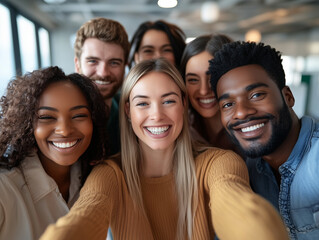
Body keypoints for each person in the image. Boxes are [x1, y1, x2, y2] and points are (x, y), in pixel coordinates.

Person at [41, 59, 288, 240]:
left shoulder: (219, 162)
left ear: (183, 104)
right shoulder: (109, 173)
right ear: (128, 111)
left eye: (169, 101)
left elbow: (238, 207)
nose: (156, 115)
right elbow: (84, 218)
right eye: (143, 103)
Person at [209, 41, 319, 240]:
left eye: (257, 94)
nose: (241, 112)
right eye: (228, 104)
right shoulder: (247, 171)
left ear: (288, 97)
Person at [0, 66, 109, 240]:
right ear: (27, 125)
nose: (65, 131)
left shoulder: (99, 177)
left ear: (93, 121)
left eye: (79, 115)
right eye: (47, 117)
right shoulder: (4, 190)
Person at [74, 17, 130, 155]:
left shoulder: (132, 114)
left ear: (125, 67)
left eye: (114, 63)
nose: (103, 73)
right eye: (93, 61)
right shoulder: (61, 118)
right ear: (77, 65)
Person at [180, 34, 239, 154]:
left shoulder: (250, 125)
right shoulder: (180, 128)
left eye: (212, 78)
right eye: (193, 80)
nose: (204, 90)